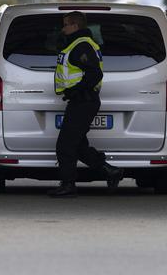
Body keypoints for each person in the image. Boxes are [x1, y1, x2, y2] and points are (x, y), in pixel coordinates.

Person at [49, 11, 124, 198]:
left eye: (65, 25)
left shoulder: (81, 46)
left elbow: (95, 74)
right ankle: (110, 171)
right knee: (78, 146)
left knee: (65, 145)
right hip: (81, 101)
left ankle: (68, 185)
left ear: (75, 26)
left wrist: (77, 90)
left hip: (84, 101)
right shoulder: (78, 44)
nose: (63, 28)